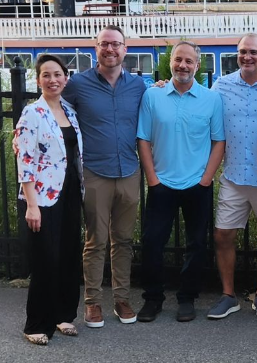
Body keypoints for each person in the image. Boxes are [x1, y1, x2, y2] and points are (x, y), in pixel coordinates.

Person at [62, 25, 146, 328]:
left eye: (116, 45)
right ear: (96, 48)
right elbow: (55, 112)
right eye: (104, 44)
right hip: (94, 171)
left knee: (123, 240)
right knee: (96, 240)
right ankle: (93, 302)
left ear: (125, 50)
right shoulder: (77, 85)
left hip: (129, 171)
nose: (110, 50)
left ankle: (122, 299)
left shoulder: (138, 86)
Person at [136, 41, 225, 322]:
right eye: (178, 60)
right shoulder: (153, 95)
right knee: (152, 243)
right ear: (170, 62)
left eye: (189, 61)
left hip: (197, 184)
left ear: (197, 66)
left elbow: (219, 141)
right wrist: (153, 180)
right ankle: (153, 298)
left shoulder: (212, 99)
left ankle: (187, 297)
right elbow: (143, 139)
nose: (183, 65)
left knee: (197, 245)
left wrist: (205, 180)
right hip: (161, 183)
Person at [207, 33, 257, 321]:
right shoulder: (221, 86)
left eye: (253, 51)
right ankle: (228, 296)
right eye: (243, 51)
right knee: (222, 235)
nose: (247, 56)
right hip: (233, 176)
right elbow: (202, 108)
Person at [14, 54, 84, 345]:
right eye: (46, 75)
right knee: (46, 258)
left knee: (68, 255)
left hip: (68, 193)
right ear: (38, 79)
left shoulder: (69, 110)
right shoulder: (33, 113)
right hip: (41, 197)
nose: (53, 80)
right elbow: (26, 160)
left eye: (57, 74)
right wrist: (31, 204)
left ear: (66, 78)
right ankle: (36, 324)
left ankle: (63, 314)